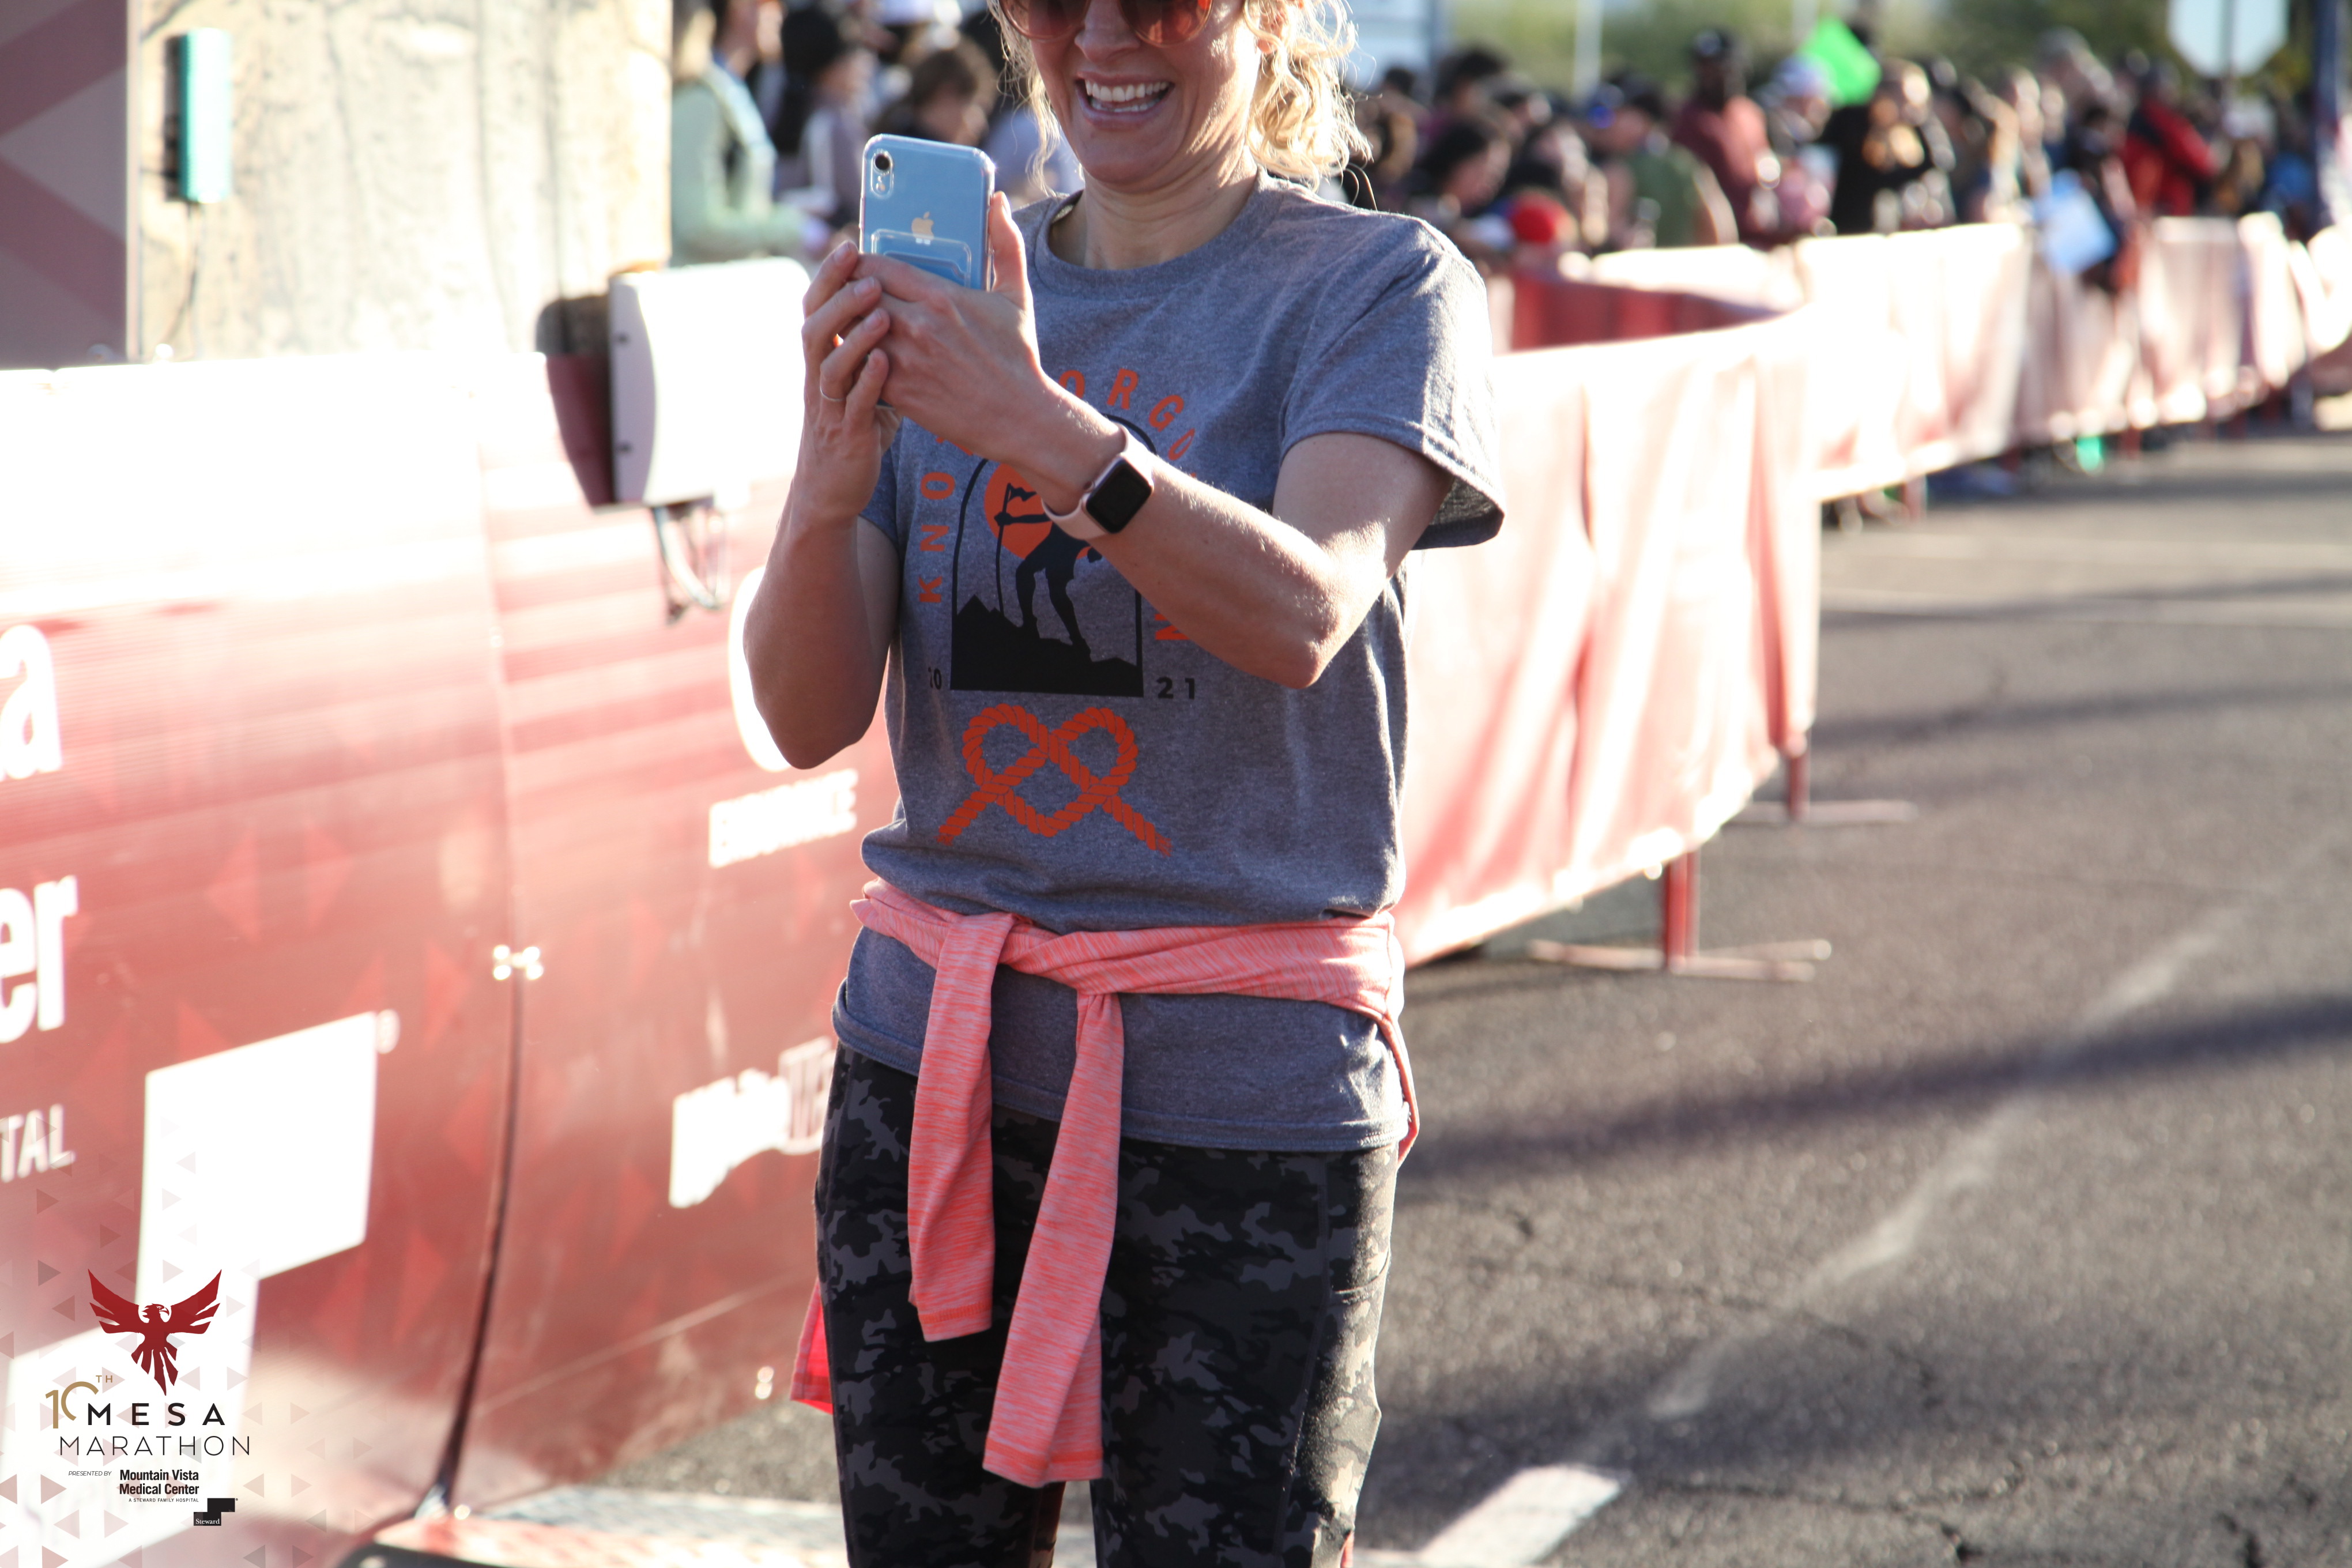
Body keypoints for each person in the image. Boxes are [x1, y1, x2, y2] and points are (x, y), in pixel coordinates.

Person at [742, 0, 1503, 1558]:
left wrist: (1035, 429)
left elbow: (1306, 611)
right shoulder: (955, 296)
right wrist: (825, 487)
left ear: (1270, 17)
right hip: (935, 1071)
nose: (1099, 33)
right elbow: (803, 715)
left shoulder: (1377, 284)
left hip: (1242, 1095)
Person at [670, 0, 812, 263]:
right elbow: (698, 228)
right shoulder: (701, 97)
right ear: (742, 7)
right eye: (771, 3)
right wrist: (793, 228)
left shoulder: (727, 88)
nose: (780, 14)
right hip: (701, 282)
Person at [1585, 77, 1736, 248]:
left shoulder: (1619, 171)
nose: (1606, 126)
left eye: (1616, 116)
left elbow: (1599, 232)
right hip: (1683, 263)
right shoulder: (1690, 165)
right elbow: (1722, 234)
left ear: (1639, 120)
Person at [1671, 28, 1777, 242]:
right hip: (1717, 239)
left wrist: (1769, 183)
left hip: (1758, 233)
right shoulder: (1687, 119)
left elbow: (1765, 162)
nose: (1714, 76)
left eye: (1723, 68)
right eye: (1706, 68)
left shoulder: (1750, 113)